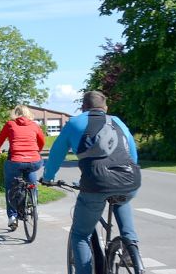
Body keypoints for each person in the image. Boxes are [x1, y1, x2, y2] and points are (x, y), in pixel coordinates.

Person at [42, 91, 144, 273]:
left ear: (83, 108)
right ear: (105, 108)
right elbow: (132, 154)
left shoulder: (74, 123)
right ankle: (130, 245)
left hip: (96, 183)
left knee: (80, 234)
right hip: (130, 178)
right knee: (122, 200)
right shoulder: (117, 121)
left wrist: (48, 178)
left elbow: (56, 154)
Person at [0, 104, 45, 230]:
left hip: (15, 161)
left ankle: (12, 216)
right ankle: (33, 205)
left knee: (10, 186)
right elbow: (42, 141)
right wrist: (36, 150)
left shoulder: (10, 124)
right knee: (31, 178)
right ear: (29, 114)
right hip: (34, 160)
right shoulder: (35, 125)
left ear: (15, 114)